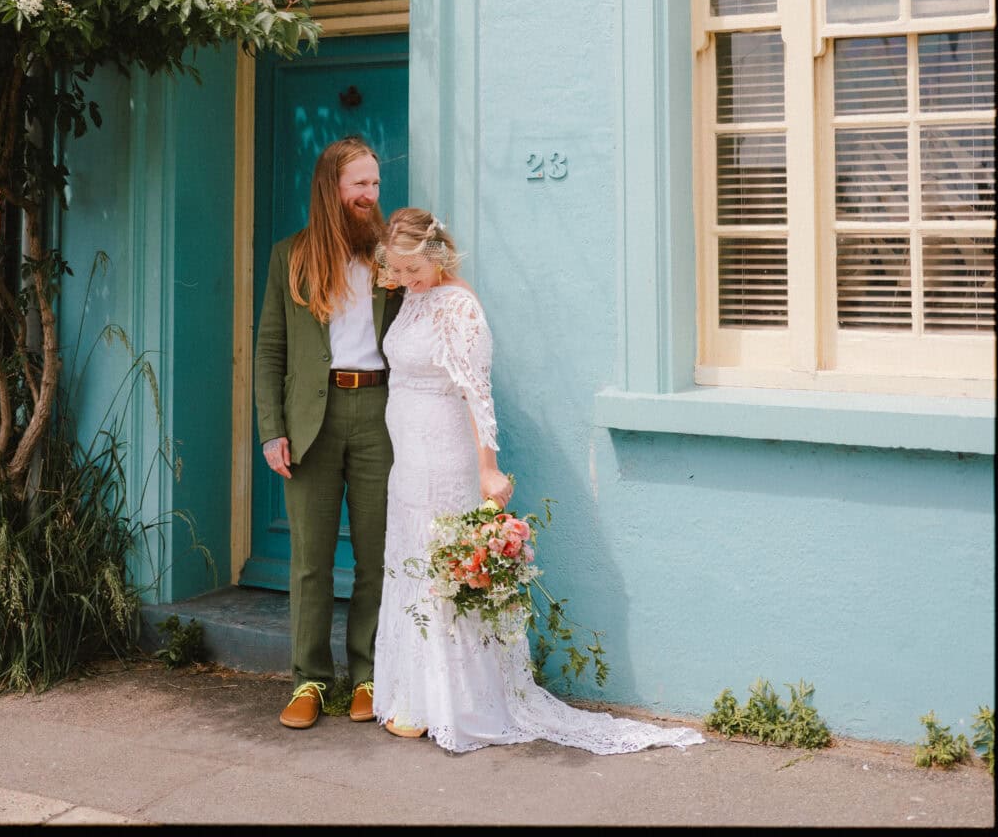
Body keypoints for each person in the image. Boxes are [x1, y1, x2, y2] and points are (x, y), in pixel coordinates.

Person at [371, 207, 704, 756]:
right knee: (409, 560)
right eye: (398, 270)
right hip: (406, 458)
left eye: (413, 269)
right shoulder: (413, 299)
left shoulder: (459, 306)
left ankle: (455, 702)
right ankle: (415, 694)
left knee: (439, 566)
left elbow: (478, 392)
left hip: (444, 455)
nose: (405, 279)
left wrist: (487, 467)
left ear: (436, 252)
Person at [254, 136, 405, 730]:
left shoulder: (392, 257)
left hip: (380, 415)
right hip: (311, 422)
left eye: (374, 184)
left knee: (377, 556)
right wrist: (271, 430)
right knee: (311, 561)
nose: (370, 195)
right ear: (331, 189)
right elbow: (270, 349)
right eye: (359, 185)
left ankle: (370, 674)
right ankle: (309, 679)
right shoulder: (289, 257)